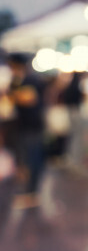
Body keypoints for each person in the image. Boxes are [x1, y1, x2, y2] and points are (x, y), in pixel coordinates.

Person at [7, 53, 46, 208]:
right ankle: (29, 191)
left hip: (33, 125)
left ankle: (32, 193)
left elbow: (29, 98)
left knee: (34, 159)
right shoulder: (18, 80)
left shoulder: (30, 79)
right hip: (23, 125)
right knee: (27, 158)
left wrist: (12, 96)